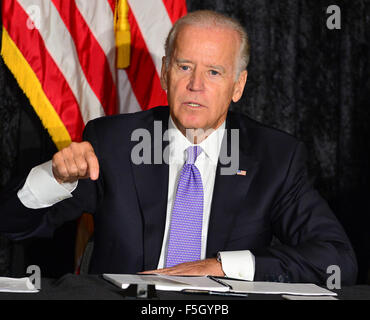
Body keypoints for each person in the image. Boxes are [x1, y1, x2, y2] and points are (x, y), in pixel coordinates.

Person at [0, 10, 357, 284]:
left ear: (238, 85)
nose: (195, 85)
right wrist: (55, 178)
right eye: (184, 67)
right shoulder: (113, 143)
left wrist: (220, 267)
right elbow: (12, 225)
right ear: (164, 73)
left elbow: (336, 260)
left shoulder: (274, 157)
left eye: (214, 72)